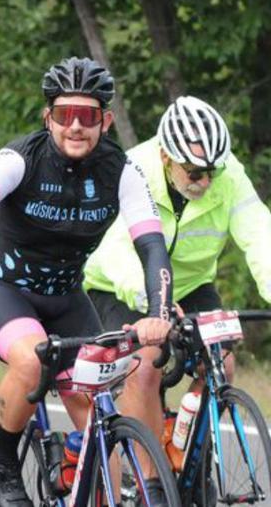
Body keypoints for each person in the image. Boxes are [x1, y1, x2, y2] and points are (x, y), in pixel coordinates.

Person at [0, 57, 174, 507]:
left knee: (99, 423)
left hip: (65, 298)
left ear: (105, 121)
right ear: (49, 118)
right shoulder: (22, 157)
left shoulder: (121, 171)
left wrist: (158, 317)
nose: (75, 126)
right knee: (32, 362)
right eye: (64, 114)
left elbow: (152, 246)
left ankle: (77, 476)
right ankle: (4, 460)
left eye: (87, 115)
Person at [83, 96, 271, 472]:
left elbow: (260, 234)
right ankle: (149, 480)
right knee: (145, 365)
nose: (205, 181)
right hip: (122, 284)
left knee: (223, 365)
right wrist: (155, 304)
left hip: (190, 286)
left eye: (212, 171)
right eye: (194, 172)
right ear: (167, 157)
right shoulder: (132, 170)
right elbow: (116, 250)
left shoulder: (226, 172)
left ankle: (186, 455)